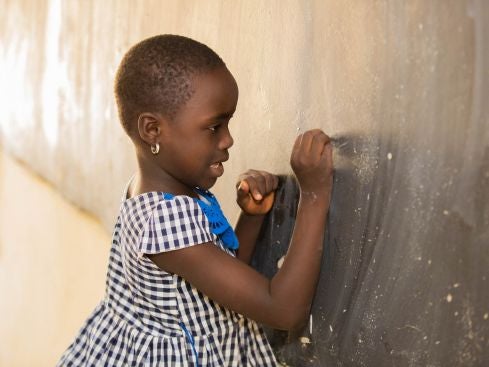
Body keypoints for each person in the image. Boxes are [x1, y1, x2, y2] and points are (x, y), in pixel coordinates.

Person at [57, 34, 333, 366]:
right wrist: (315, 193)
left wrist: (251, 218)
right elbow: (283, 309)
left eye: (228, 122)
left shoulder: (157, 190)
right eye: (214, 126)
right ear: (153, 130)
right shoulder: (164, 216)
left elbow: (218, 282)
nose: (228, 140)